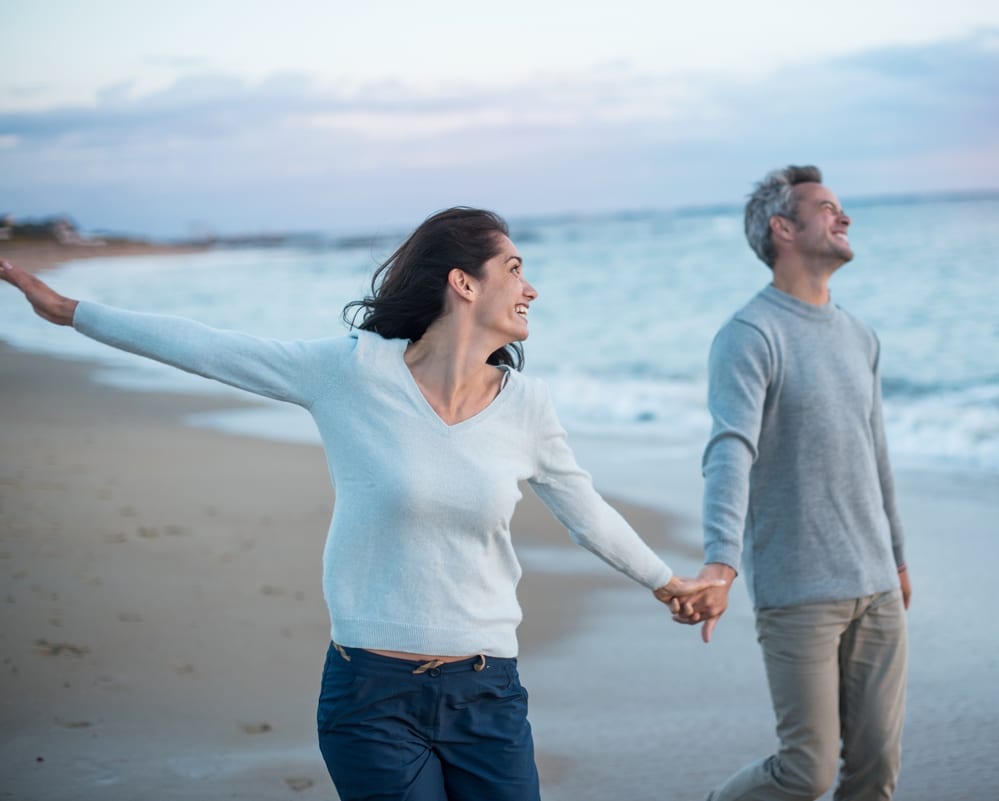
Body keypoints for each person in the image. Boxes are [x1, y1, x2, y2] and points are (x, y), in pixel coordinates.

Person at [0, 207, 721, 801]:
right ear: (463, 284)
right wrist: (71, 312)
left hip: (487, 693)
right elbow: (211, 347)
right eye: (515, 269)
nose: (532, 288)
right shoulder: (349, 371)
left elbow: (585, 509)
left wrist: (666, 582)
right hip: (371, 695)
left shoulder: (528, 406)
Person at [675, 166, 912, 801]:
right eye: (827, 208)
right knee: (804, 774)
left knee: (875, 772)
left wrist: (898, 556)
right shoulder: (750, 334)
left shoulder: (861, 336)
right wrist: (720, 562)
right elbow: (730, 449)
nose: (845, 217)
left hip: (878, 587)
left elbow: (876, 453)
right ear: (784, 229)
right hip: (800, 590)